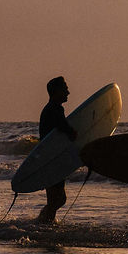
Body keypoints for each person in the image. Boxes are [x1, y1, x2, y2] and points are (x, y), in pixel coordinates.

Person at [34, 75, 74, 226]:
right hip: (50, 160)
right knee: (56, 199)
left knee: (58, 199)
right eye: (65, 89)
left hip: (52, 159)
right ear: (57, 91)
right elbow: (63, 127)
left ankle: (44, 222)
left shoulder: (53, 108)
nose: (68, 93)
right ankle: (42, 224)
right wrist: (73, 133)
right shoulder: (54, 109)